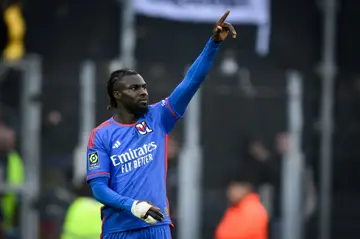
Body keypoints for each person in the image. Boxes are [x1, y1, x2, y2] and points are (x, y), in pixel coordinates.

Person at [86, 10, 236, 239]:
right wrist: (134, 206)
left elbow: (192, 81)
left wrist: (213, 44)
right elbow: (99, 188)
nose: (143, 92)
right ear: (116, 95)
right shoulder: (101, 135)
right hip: (120, 230)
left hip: (157, 227)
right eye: (134, 88)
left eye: (144, 87)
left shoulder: (158, 117)